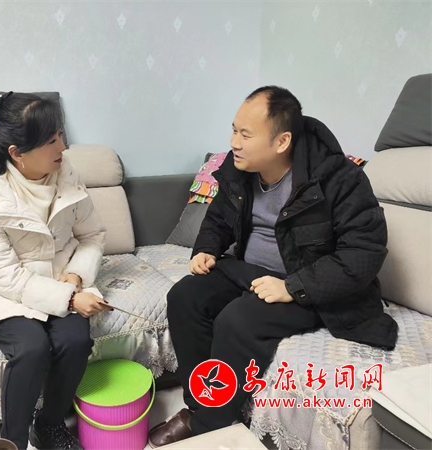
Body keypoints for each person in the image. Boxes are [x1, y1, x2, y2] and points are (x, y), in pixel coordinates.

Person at [148, 86, 398, 447]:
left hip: (311, 284)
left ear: (281, 142)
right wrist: (206, 249)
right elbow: (218, 218)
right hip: (250, 272)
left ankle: (207, 425)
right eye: (234, 130)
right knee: (185, 297)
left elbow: (364, 253)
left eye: (245, 134)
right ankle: (201, 404)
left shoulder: (338, 179)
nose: (234, 142)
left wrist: (293, 287)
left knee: (237, 320)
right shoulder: (239, 171)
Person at [0, 92, 112, 450]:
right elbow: (6, 277)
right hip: (7, 293)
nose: (63, 146)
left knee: (75, 340)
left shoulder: (66, 174)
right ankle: (12, 442)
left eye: (60, 134)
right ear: (17, 153)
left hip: (62, 279)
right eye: (51, 141)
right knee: (31, 348)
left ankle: (49, 425)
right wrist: (70, 299)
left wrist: (75, 277)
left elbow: (92, 235)